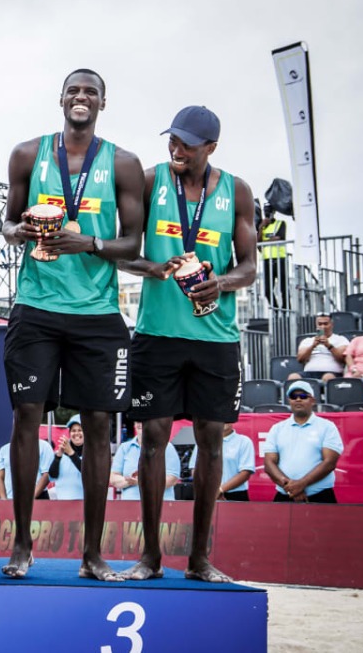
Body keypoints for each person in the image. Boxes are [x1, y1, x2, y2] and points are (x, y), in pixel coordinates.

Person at [0, 69, 144, 580]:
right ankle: (21, 545)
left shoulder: (123, 163)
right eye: (74, 90)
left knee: (99, 425)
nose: (81, 97)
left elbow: (133, 243)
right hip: (36, 306)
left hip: (97, 314)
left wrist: (90, 243)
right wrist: (20, 231)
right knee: (26, 418)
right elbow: (7, 222)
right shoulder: (27, 154)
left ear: (103, 102)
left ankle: (93, 554)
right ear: (61, 99)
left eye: (91, 92)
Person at [117, 105, 257, 582]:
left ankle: (199, 559)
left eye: (187, 144)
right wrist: (151, 268)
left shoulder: (236, 191)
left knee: (211, 443)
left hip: (215, 338)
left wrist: (222, 282)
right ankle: (150, 557)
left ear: (211, 148)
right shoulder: (150, 180)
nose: (176, 149)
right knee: (152, 440)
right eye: (172, 140)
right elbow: (125, 250)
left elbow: (249, 266)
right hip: (157, 335)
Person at [264, 380, 344, 502]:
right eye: (293, 396)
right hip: (285, 495)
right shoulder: (277, 429)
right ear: (289, 401)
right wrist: (291, 488)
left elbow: (329, 463)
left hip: (320, 496)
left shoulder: (327, 427)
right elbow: (269, 463)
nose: (298, 399)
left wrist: (302, 484)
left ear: (313, 400)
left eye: (303, 396)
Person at [110, 423, 180, 502]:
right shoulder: (124, 448)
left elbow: (172, 479)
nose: (140, 424)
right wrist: (130, 481)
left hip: (160, 503)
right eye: (138, 421)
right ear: (134, 425)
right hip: (129, 503)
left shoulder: (167, 447)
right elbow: (113, 478)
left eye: (144, 421)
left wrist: (142, 482)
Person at [189, 423, 256, 501]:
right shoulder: (204, 441)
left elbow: (245, 473)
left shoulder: (244, 441)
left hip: (235, 495)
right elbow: (196, 469)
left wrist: (220, 490)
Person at [290, 313, 349, 382]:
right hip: (309, 373)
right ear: (316, 325)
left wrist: (329, 346)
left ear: (332, 325)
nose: (323, 327)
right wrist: (312, 346)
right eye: (320, 324)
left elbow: (342, 359)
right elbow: (300, 359)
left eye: (325, 324)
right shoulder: (307, 341)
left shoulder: (341, 340)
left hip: (332, 373)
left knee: (328, 377)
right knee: (293, 377)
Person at [258, 203, 289, 308]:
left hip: (280, 259)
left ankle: (286, 310)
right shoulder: (262, 227)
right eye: (265, 211)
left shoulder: (280, 223)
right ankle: (276, 310)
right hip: (267, 260)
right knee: (267, 290)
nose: (267, 214)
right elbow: (258, 245)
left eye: (269, 211)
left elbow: (279, 238)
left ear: (273, 212)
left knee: (283, 289)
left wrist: (264, 242)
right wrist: (261, 228)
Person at [49, 417, 85, 501]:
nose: (76, 433)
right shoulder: (59, 455)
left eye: (80, 430)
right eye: (73, 431)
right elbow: (52, 476)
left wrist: (71, 453)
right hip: (62, 503)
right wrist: (58, 456)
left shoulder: (92, 454)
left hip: (84, 503)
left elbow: (87, 473)